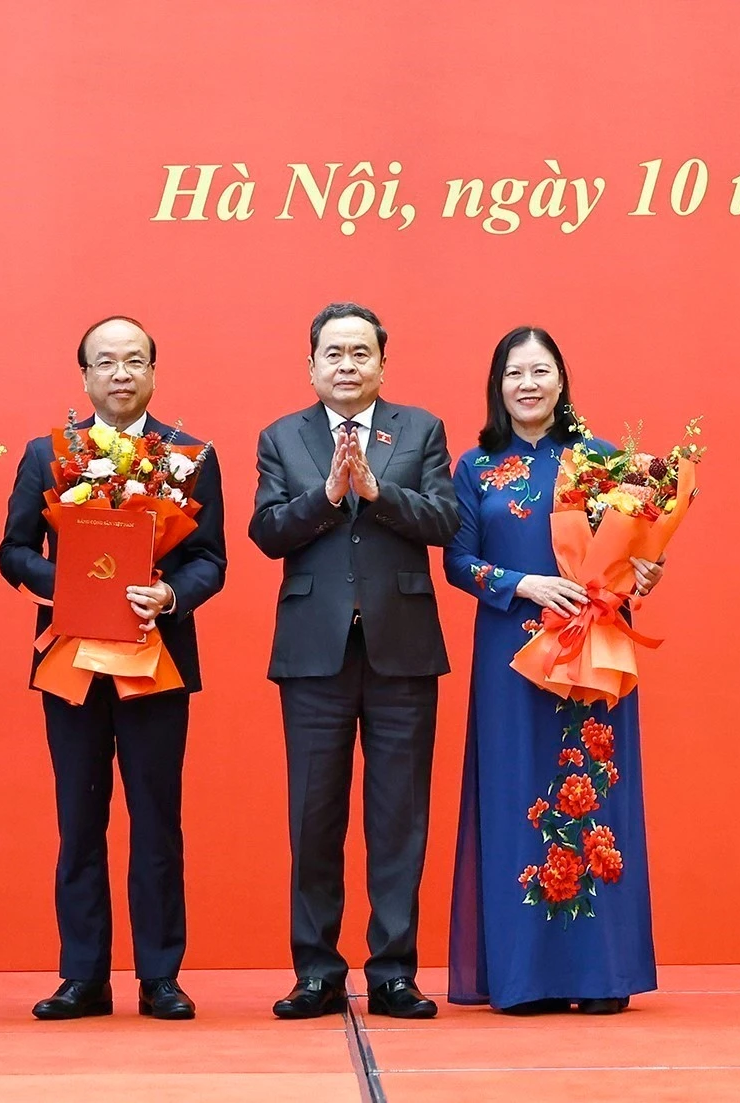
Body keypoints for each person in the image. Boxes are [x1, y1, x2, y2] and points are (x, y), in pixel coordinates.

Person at [0, 316, 225, 1021]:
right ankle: (83, 975)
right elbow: (12, 552)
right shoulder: (49, 453)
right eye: (106, 362)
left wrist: (171, 593)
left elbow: (210, 559)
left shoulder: (189, 456)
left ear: (154, 372)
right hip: (72, 664)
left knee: (158, 818)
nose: (120, 373)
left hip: (154, 660)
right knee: (79, 818)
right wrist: (67, 580)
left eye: (134, 361)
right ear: (85, 376)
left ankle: (161, 976)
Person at [249, 302, 459, 1020]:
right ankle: (317, 969)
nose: (347, 364)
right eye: (333, 353)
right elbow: (268, 532)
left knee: (399, 817)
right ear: (311, 365)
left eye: (360, 353)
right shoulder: (282, 436)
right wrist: (329, 494)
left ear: (382, 364)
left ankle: (395, 970)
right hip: (314, 654)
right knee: (314, 816)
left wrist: (379, 491)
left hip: (402, 649)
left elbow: (445, 520)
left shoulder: (422, 429)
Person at [444, 325, 662, 1014]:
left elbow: (634, 552)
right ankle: (524, 977)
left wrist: (647, 570)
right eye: (514, 373)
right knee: (517, 798)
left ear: (562, 381)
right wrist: (524, 583)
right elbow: (458, 561)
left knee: (594, 796)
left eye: (540, 370)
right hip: (512, 656)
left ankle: (600, 975)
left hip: (592, 657)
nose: (528, 384)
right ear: (497, 385)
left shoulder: (601, 462)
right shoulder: (475, 467)